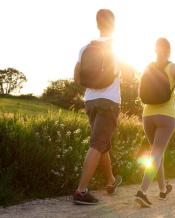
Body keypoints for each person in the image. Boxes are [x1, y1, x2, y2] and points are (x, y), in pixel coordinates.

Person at [72, 9, 122, 205]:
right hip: (109, 102)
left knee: (101, 144)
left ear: (97, 24)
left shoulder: (85, 48)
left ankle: (110, 181)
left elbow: (76, 76)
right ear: (114, 24)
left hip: (90, 100)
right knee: (96, 145)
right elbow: (124, 73)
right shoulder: (117, 48)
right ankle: (81, 191)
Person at [135, 38, 175, 207]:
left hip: (147, 115)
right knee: (156, 154)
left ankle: (163, 189)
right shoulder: (173, 67)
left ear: (155, 50)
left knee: (157, 154)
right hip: (166, 116)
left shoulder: (148, 66)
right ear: (169, 50)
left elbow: (139, 91)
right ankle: (142, 192)